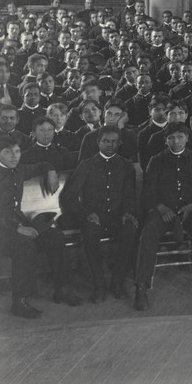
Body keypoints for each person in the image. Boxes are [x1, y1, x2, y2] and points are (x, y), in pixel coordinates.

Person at [0, 133, 82, 317]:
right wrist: (18, 228)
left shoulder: (20, 169)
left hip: (18, 225)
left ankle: (61, 289)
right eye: (8, 152)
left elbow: (41, 165)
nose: (15, 156)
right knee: (24, 244)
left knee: (55, 236)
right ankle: (19, 301)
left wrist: (51, 171)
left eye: (17, 151)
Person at [134, 123, 192, 311]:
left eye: (180, 137)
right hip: (163, 212)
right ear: (165, 140)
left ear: (187, 138)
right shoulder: (156, 160)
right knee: (148, 233)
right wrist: (161, 207)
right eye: (171, 138)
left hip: (190, 210)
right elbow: (148, 191)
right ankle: (141, 287)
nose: (176, 141)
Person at [60, 125, 138, 302]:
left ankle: (117, 282)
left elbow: (129, 195)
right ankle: (99, 284)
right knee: (90, 233)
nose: (109, 145)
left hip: (117, 216)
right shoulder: (87, 165)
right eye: (105, 141)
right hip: (93, 217)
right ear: (98, 142)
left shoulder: (126, 166)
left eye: (114, 142)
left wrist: (127, 212)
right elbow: (69, 196)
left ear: (120, 143)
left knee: (130, 230)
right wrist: (85, 214)